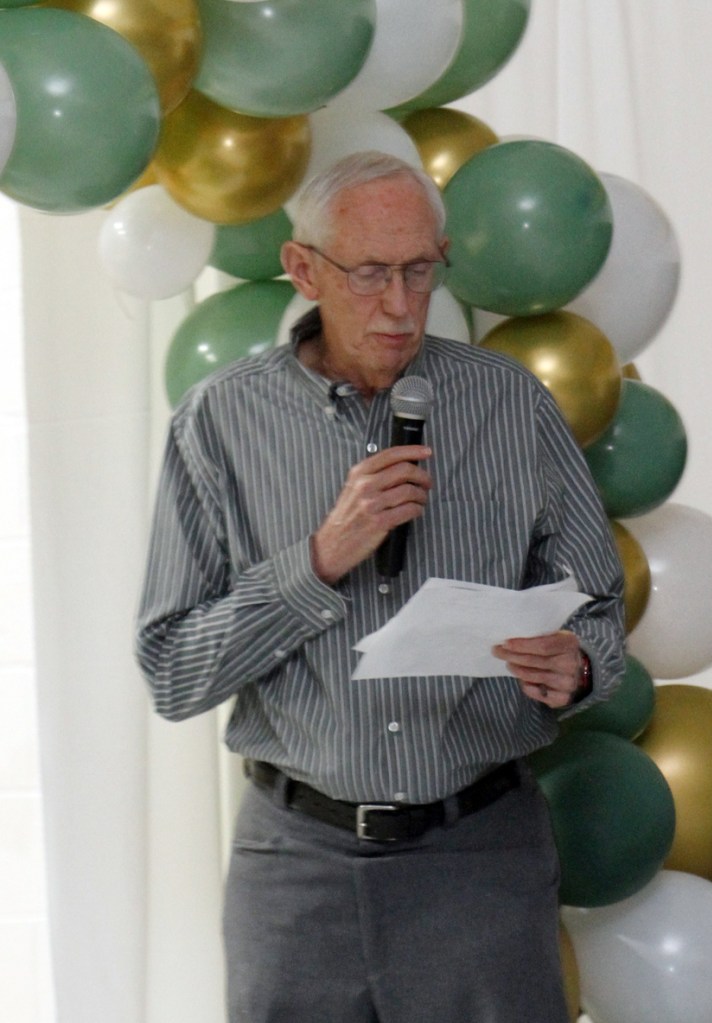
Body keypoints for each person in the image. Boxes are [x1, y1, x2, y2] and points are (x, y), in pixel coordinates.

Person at [136, 150, 625, 1022]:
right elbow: (173, 671)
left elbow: (597, 606)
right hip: (295, 872)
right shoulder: (219, 421)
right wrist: (320, 558)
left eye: (419, 271)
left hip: (479, 860)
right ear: (303, 269)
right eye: (369, 274)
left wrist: (578, 662)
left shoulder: (510, 406)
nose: (399, 305)